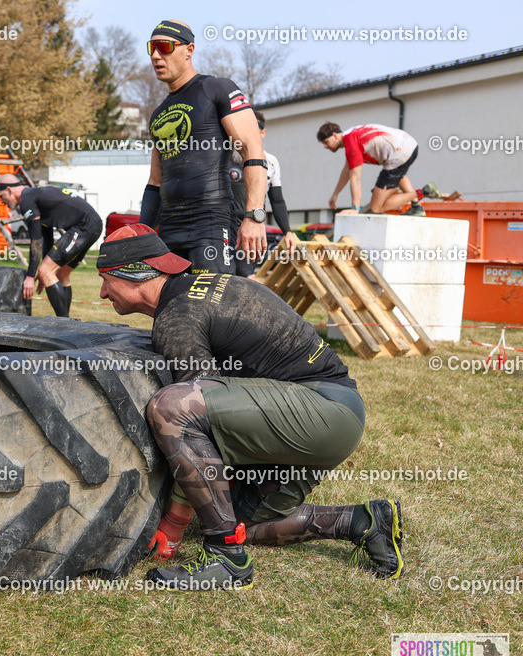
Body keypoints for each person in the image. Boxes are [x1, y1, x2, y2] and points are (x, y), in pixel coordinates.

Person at [97, 224, 404, 590]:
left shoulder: (177, 317)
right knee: (245, 520)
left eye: (105, 280)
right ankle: (363, 522)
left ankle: (226, 558)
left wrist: (174, 523)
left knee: (171, 407)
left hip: (322, 411)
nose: (101, 293)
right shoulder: (200, 287)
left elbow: (194, 420)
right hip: (332, 414)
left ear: (132, 275)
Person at [141, 19, 267, 275]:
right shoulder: (158, 114)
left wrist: (254, 216)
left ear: (189, 50)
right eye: (151, 47)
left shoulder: (217, 89)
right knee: (170, 308)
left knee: (212, 305)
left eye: (164, 46)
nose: (156, 55)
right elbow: (155, 182)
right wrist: (140, 234)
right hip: (169, 227)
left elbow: (253, 152)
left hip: (209, 222)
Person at [0, 175, 101, 316]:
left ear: (9, 190)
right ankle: (66, 321)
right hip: (93, 224)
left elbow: (36, 240)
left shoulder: (27, 200)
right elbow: (46, 238)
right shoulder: (35, 195)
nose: (2, 202)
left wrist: (31, 276)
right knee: (61, 273)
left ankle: (63, 323)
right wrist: (46, 268)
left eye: (2, 196)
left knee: (46, 271)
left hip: (84, 226)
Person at [317, 121, 439, 217]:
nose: (325, 146)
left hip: (398, 153)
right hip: (410, 145)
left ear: (334, 135)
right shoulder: (352, 134)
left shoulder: (351, 142)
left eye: (326, 142)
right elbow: (347, 171)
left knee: (376, 206)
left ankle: (424, 192)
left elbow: (355, 177)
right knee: (399, 175)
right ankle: (416, 207)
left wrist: (355, 208)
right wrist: (335, 194)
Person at [230, 111, 297, 278]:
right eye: (245, 129)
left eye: (255, 129)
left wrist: (287, 231)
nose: (249, 134)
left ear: (263, 133)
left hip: (251, 226)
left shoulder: (271, 161)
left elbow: (277, 200)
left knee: (247, 278)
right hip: (224, 225)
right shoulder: (227, 156)